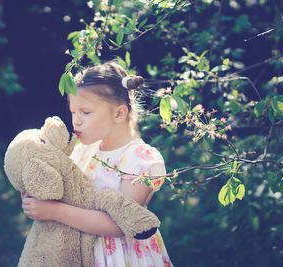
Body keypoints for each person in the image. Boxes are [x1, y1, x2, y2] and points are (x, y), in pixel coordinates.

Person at [21, 61, 173, 266]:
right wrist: (37, 196)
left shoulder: (140, 159)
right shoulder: (84, 150)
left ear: (119, 113)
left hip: (122, 258)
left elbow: (120, 224)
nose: (76, 121)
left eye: (86, 112)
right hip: (80, 251)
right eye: (73, 112)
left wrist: (54, 211)